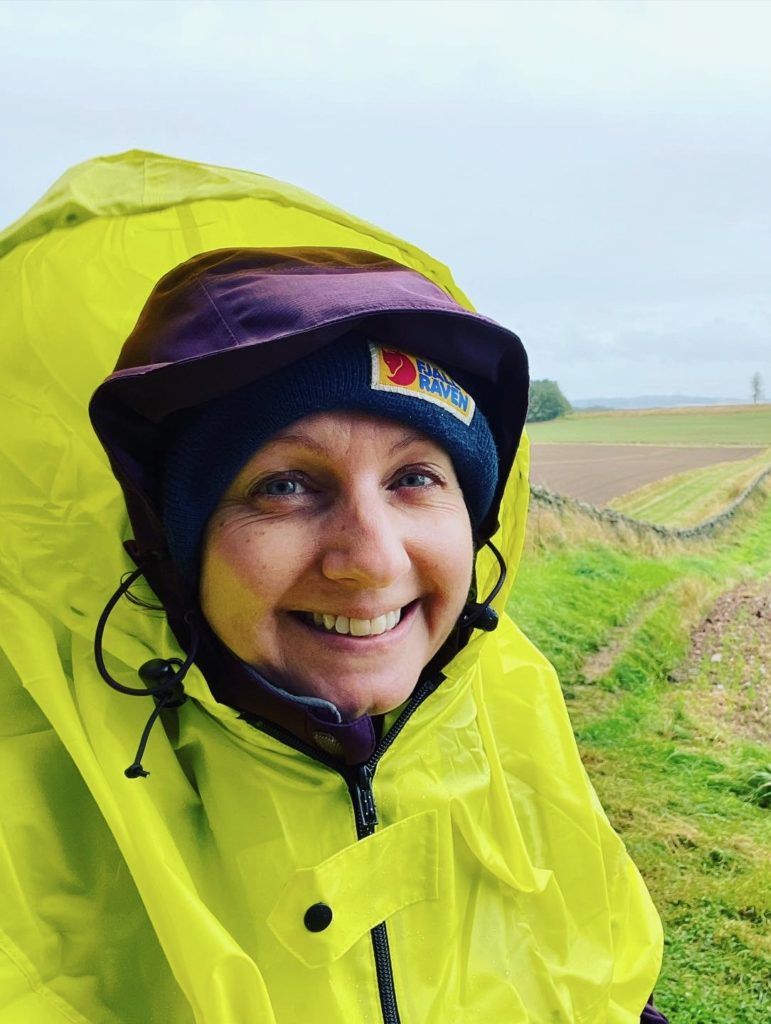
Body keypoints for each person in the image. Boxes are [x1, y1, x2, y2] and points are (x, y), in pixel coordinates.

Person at [1, 154, 668, 1022]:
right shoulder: (39, 785)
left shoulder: (502, 691)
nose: (371, 559)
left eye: (416, 479)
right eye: (285, 485)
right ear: (176, 545)